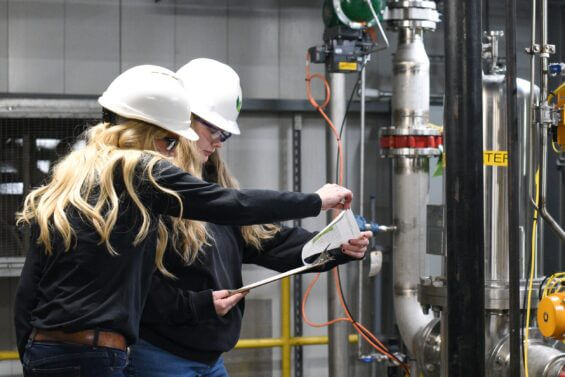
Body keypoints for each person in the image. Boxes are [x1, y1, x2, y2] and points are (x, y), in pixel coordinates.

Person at [13, 64, 354, 377]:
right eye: (170, 140)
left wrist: (30, 352)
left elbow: (31, 286)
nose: (173, 151)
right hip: (107, 352)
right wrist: (315, 201)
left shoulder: (73, 177)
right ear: (145, 133)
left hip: (47, 349)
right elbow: (233, 204)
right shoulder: (140, 172)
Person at [127, 58, 372, 377]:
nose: (217, 142)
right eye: (213, 129)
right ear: (183, 122)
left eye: (224, 135)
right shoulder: (156, 190)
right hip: (159, 355)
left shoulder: (215, 187)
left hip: (209, 359)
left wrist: (338, 246)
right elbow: (138, 289)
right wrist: (314, 201)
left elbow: (270, 242)